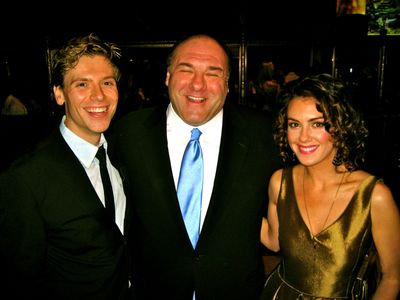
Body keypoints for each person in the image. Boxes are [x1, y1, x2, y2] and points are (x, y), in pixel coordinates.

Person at [109, 33, 281, 300]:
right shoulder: (127, 135)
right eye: (186, 70)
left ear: (227, 85)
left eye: (213, 74)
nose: (198, 85)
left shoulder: (266, 136)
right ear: (167, 77)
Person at [0, 33, 130, 300]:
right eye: (82, 84)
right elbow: (21, 280)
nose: (99, 96)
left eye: (107, 82)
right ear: (59, 94)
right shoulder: (26, 178)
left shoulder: (125, 152)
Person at [260, 73, 400, 299]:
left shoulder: (374, 196)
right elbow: (274, 241)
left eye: (317, 124)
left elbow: (392, 277)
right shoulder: (280, 182)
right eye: (294, 125)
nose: (303, 137)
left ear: (342, 126)